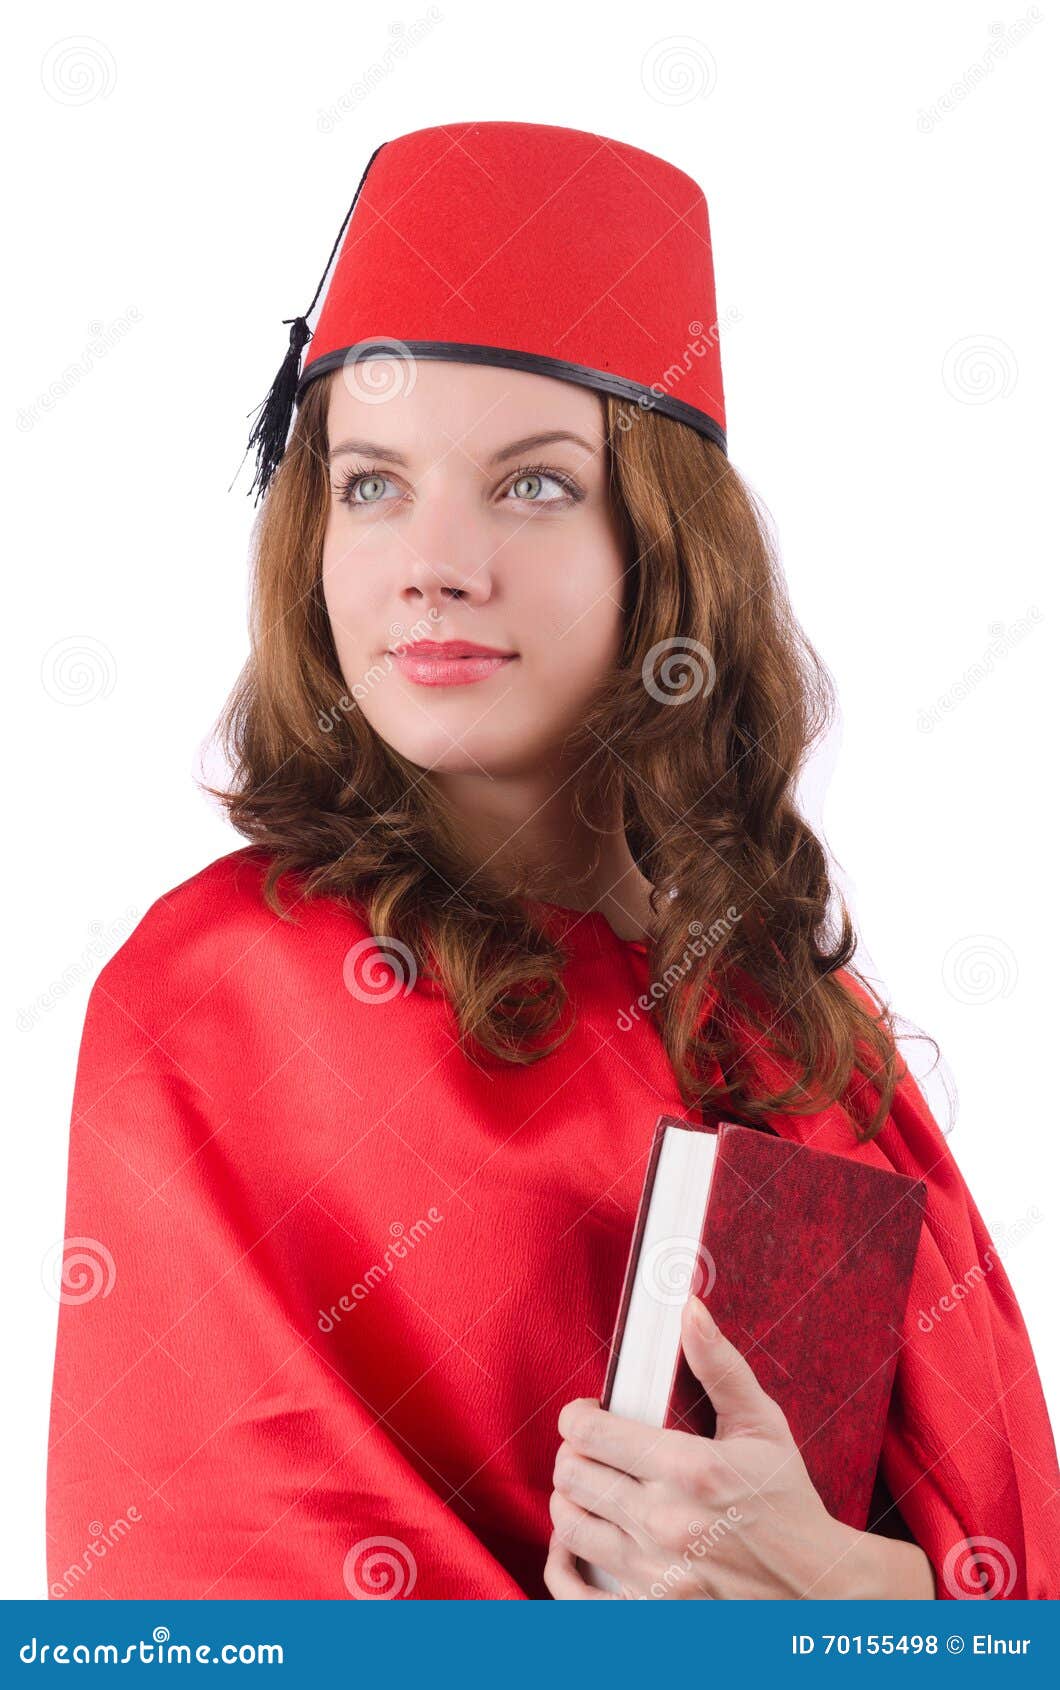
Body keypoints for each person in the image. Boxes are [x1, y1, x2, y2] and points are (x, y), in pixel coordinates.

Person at [45, 120, 1059, 1602]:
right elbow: (205, 1598)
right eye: (371, 482)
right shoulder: (216, 1000)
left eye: (531, 486)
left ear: (662, 548)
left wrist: (857, 1600)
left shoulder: (803, 1034)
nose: (432, 561)